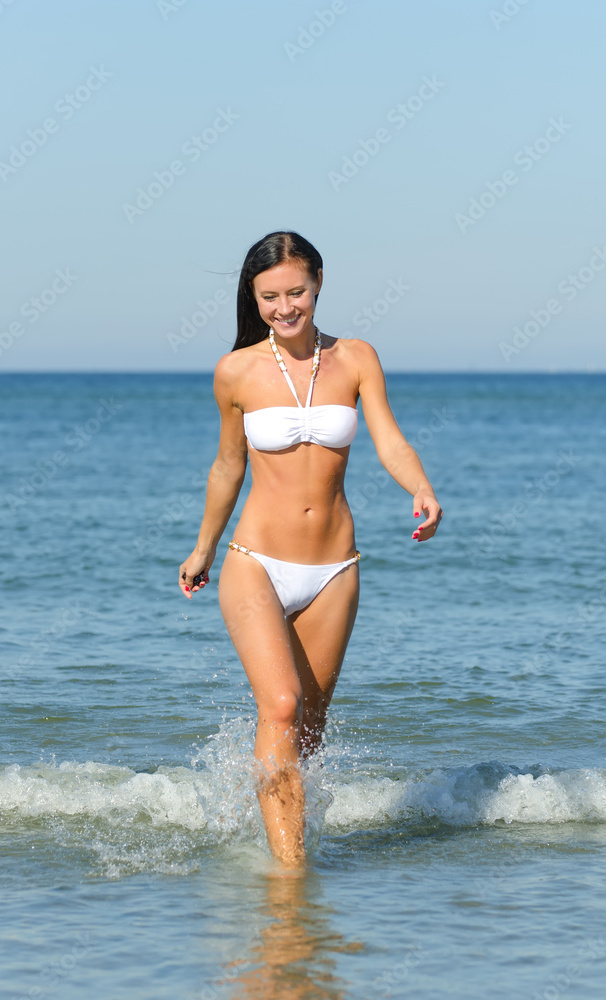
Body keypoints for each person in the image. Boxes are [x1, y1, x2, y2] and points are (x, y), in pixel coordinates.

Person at [179, 231, 443, 867]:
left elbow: (390, 441)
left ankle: (275, 833)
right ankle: (290, 879)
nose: (284, 307)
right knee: (281, 704)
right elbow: (227, 467)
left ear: (318, 283)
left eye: (295, 292)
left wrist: (422, 488)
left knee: (309, 731)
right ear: (254, 296)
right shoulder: (236, 371)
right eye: (269, 296)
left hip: (334, 570)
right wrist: (203, 547)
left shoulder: (355, 358)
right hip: (255, 562)